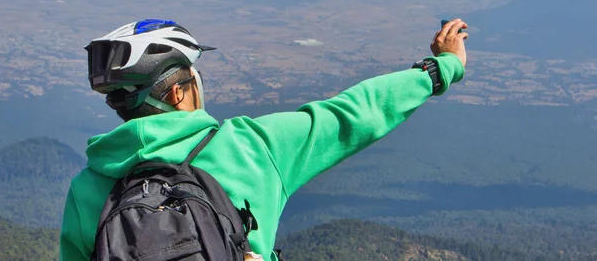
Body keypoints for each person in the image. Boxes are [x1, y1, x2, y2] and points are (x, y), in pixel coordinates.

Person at [59, 17, 469, 261]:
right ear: (179, 92)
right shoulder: (252, 146)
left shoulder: (87, 190)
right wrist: (441, 68)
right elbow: (355, 114)